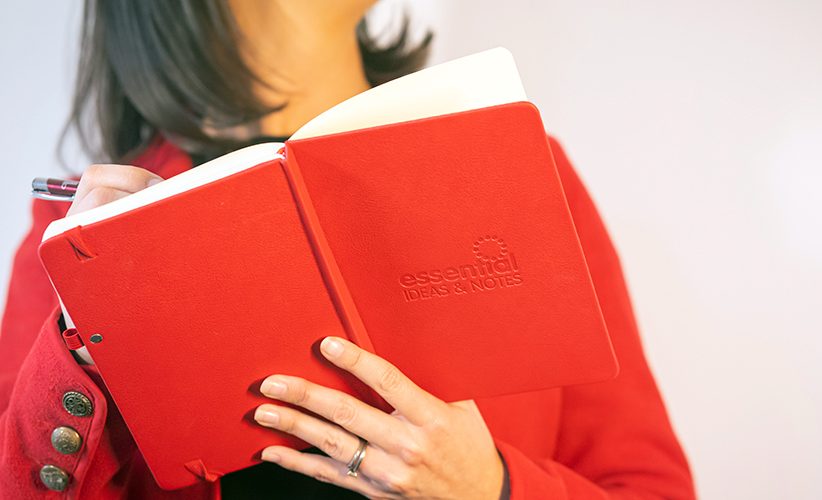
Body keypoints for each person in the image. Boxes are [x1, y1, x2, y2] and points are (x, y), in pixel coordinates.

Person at [0, 1, 696, 498]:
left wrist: (493, 489)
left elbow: (652, 487)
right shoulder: (79, 237)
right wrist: (85, 336)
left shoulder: (520, 167)